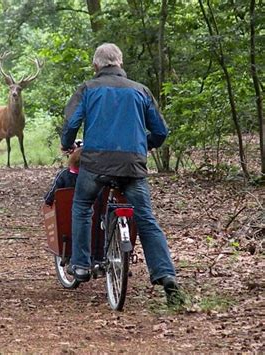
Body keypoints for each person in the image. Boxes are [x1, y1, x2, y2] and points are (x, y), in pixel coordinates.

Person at [61, 43, 183, 305]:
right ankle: (166, 275)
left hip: (95, 165)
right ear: (120, 63)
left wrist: (66, 143)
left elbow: (71, 122)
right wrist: (144, 145)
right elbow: (161, 132)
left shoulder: (88, 89)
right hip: (132, 166)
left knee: (82, 205)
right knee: (146, 219)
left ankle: (81, 265)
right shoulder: (141, 91)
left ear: (96, 65)